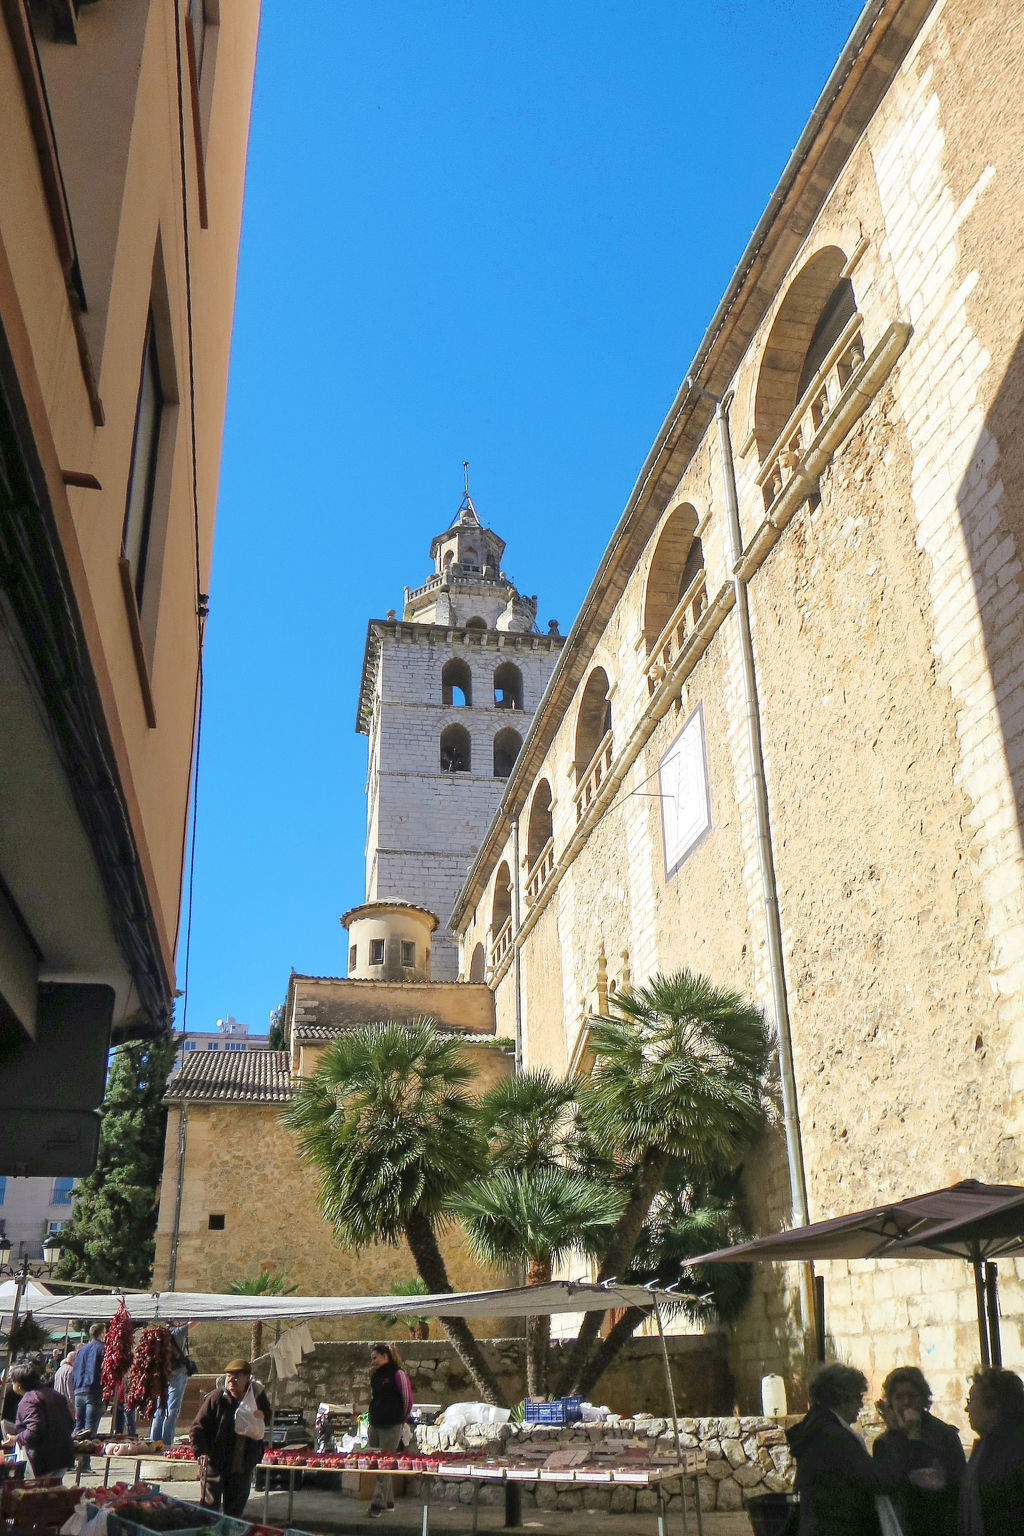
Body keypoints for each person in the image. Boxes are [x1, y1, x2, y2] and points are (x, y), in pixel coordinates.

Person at [787, 1362, 942, 1534]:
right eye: (858, 1398)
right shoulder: (835, 1438)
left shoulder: (818, 1429)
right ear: (843, 1398)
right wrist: (898, 1434)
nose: (861, 1406)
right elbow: (879, 1481)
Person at [872, 1365, 964, 1536]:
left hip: (939, 1525)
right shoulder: (885, 1442)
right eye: (899, 1397)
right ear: (891, 1402)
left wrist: (914, 1436)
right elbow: (886, 1484)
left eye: (912, 1396)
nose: (906, 1402)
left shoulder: (944, 1436)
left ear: (923, 1399)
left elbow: (957, 1484)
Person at [191, 1358, 270, 1517]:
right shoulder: (217, 1398)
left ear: (247, 1378)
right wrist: (201, 1452)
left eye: (236, 1377)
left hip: (242, 1465)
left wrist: (263, 1416)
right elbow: (197, 1428)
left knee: (234, 1513)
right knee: (208, 1511)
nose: (231, 1381)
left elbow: (267, 1415)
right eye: (229, 1376)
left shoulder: (256, 1397)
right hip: (216, 1464)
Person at [959, 1366, 1024, 1534]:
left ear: (993, 1406)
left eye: (971, 1401)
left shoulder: (1010, 1451)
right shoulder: (988, 1447)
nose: (967, 1409)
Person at [365, 1343, 413, 1519]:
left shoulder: (398, 1374)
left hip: (391, 1426)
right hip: (375, 1424)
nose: (373, 1361)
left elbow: (408, 1399)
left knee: (383, 1463)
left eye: (375, 1357)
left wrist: (401, 1420)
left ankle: (377, 1503)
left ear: (384, 1356)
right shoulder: (375, 1376)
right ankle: (389, 1502)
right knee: (376, 1463)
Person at [2, 1363, 75, 1476]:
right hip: (63, 1455)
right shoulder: (54, 1394)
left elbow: (34, 1430)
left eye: (13, 1382)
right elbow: (70, 1423)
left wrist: (16, 1438)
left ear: (19, 1385)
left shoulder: (29, 1400)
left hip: (44, 1459)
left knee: (39, 1491)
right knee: (54, 1491)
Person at [151, 1322, 193, 1446]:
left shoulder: (159, 1333)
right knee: (172, 1408)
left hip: (162, 1371)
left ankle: (154, 1440)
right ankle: (166, 1442)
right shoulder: (179, 1331)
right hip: (177, 1372)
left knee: (160, 1407)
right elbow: (195, 1322)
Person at [71, 1323, 106, 1436]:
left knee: (78, 1427)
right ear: (101, 1333)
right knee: (89, 1430)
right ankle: (86, 1451)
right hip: (93, 1390)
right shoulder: (102, 1348)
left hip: (78, 1389)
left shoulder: (82, 1350)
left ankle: (75, 1451)